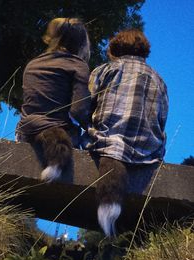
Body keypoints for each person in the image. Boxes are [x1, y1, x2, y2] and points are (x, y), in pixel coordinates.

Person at [88, 29, 168, 236]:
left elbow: (85, 106)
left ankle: (108, 208)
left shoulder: (104, 70)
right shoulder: (159, 80)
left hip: (108, 144)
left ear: (115, 48)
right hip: (147, 153)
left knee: (109, 146)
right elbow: (162, 121)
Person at [16, 18, 91, 181]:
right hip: (59, 133)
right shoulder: (78, 65)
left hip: (25, 131)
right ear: (81, 43)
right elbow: (79, 110)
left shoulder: (33, 63)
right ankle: (57, 162)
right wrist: (91, 126)